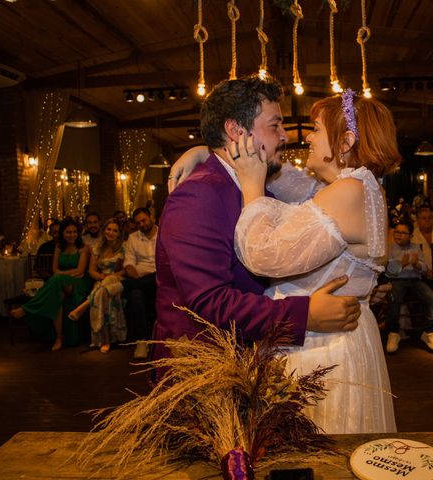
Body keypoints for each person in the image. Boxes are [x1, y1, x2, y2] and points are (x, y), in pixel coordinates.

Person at [155, 76, 361, 387]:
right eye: (275, 125)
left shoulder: (263, 192)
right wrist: (305, 315)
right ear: (237, 132)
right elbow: (210, 301)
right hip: (200, 376)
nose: (285, 136)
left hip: (248, 368)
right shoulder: (196, 196)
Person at [10, 218, 92, 351]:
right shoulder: (59, 247)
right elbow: (54, 269)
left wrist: (61, 274)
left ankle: (26, 308)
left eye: (74, 232)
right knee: (56, 294)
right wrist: (62, 274)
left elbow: (80, 271)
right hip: (62, 282)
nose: (72, 235)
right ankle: (59, 337)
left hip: (79, 284)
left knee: (56, 280)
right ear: (62, 234)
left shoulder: (83, 248)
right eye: (68, 232)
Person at [68, 219, 126, 353]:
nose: (111, 233)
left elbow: (124, 270)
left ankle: (85, 305)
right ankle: (104, 339)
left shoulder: (123, 248)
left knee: (106, 288)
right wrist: (101, 277)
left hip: (117, 280)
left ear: (119, 234)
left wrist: (111, 276)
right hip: (101, 281)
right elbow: (91, 270)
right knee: (102, 294)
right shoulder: (97, 248)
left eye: (114, 230)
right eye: (108, 229)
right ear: (104, 230)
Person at [384, 220, 433, 354]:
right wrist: (401, 265)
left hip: (415, 280)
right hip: (397, 280)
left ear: (410, 235)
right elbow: (386, 271)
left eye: (403, 233)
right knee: (394, 298)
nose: (398, 235)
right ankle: (393, 333)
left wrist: (417, 265)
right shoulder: (389, 248)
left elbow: (424, 267)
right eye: (397, 232)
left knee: (430, 297)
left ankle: (429, 333)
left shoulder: (415, 247)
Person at [123, 207, 157, 358]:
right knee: (136, 294)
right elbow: (129, 264)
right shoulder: (133, 238)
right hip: (140, 280)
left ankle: (122, 286)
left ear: (151, 218)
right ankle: (142, 342)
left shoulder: (164, 234)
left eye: (144, 220)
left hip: (160, 279)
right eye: (138, 223)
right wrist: (137, 279)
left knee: (156, 276)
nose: (142, 224)